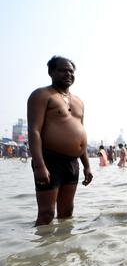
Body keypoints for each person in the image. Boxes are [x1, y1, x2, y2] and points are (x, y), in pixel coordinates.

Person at [27, 55, 93, 226]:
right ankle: (41, 252)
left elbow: (81, 135)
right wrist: (40, 165)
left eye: (71, 71)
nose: (68, 74)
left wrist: (86, 165)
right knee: (46, 213)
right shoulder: (42, 95)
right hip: (50, 160)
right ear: (51, 72)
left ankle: (62, 251)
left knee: (67, 212)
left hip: (72, 162)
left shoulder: (79, 101)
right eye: (63, 70)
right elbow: (34, 131)